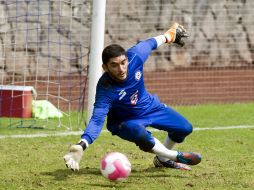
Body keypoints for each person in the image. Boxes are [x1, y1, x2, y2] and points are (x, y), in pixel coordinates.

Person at [64, 23, 202, 171]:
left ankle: (162, 159)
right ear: (105, 67)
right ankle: (173, 156)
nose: (121, 69)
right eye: (114, 65)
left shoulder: (135, 56)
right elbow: (97, 120)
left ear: (127, 59)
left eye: (123, 63)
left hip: (150, 107)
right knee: (139, 132)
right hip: (125, 122)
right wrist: (81, 145)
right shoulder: (105, 88)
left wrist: (169, 36)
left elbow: (150, 43)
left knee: (185, 128)